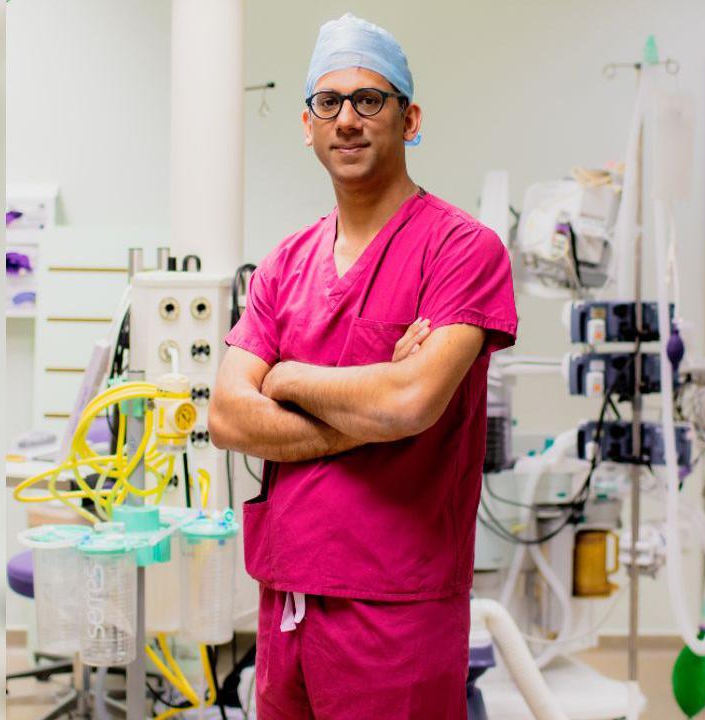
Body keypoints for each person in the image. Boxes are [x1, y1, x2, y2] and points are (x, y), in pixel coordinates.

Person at [208, 13, 517, 719]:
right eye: (329, 102)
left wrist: (284, 379)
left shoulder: (462, 251)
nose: (347, 119)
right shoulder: (286, 263)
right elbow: (227, 415)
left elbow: (409, 403)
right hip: (287, 598)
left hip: (398, 607)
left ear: (409, 118)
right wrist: (369, 408)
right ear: (307, 124)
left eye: (369, 100)